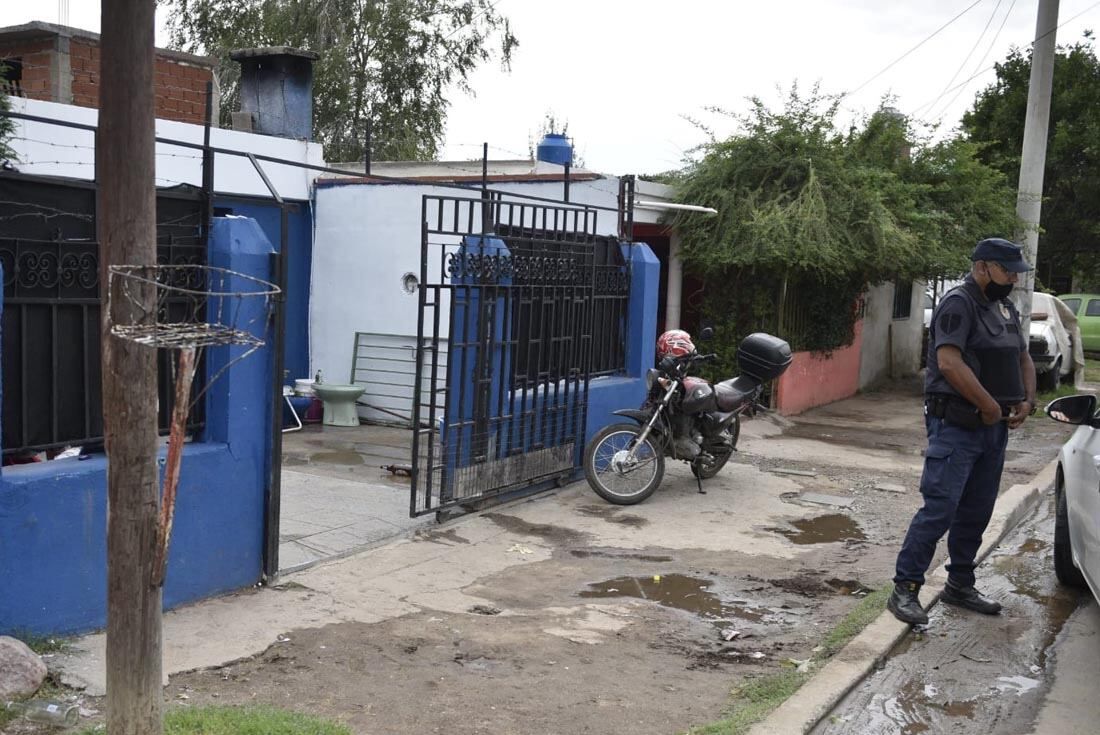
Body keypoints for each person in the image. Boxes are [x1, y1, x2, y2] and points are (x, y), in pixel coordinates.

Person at [888, 237, 1037, 626]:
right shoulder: (959, 304)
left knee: (976, 511)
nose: (1014, 281)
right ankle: (905, 589)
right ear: (983, 267)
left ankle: (960, 584)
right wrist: (988, 404)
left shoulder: (1003, 306)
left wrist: (1027, 400)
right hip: (957, 424)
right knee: (940, 508)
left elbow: (1022, 356)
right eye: (1008, 272)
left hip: (994, 429)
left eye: (1016, 274)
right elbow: (949, 363)